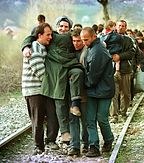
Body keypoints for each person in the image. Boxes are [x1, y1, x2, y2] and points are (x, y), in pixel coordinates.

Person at [22, 15, 84, 145]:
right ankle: (43, 144)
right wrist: (25, 46)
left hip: (55, 80)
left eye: (66, 27)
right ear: (57, 27)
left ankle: (55, 139)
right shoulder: (44, 41)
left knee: (55, 113)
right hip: (43, 84)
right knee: (44, 115)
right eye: (61, 26)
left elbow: (84, 38)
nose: (63, 28)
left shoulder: (68, 38)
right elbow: (33, 36)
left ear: (70, 28)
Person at [22, 23, 59, 155]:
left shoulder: (43, 47)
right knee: (37, 119)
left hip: (44, 89)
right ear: (39, 35)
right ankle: (39, 146)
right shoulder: (34, 49)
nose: (50, 37)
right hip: (34, 90)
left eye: (51, 34)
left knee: (52, 114)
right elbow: (41, 73)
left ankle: (50, 140)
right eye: (48, 35)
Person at [80, 27, 115, 157]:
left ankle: (108, 140)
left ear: (94, 36)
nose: (84, 42)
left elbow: (93, 77)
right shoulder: (93, 48)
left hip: (103, 90)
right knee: (90, 119)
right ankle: (94, 145)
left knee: (101, 118)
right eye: (83, 40)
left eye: (86, 39)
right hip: (94, 90)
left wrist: (83, 84)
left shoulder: (98, 51)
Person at [67, 28, 89, 156]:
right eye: (74, 41)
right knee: (73, 119)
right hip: (71, 93)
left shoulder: (87, 52)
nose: (76, 43)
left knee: (85, 120)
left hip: (85, 93)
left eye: (79, 41)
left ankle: (85, 143)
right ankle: (74, 146)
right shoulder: (69, 52)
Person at [111, 20, 135, 123]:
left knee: (125, 93)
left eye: (123, 26)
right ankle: (114, 115)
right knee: (113, 94)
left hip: (125, 69)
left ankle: (123, 112)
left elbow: (131, 53)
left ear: (125, 28)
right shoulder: (110, 38)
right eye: (119, 26)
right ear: (116, 27)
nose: (121, 27)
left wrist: (119, 56)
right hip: (112, 70)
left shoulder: (129, 40)